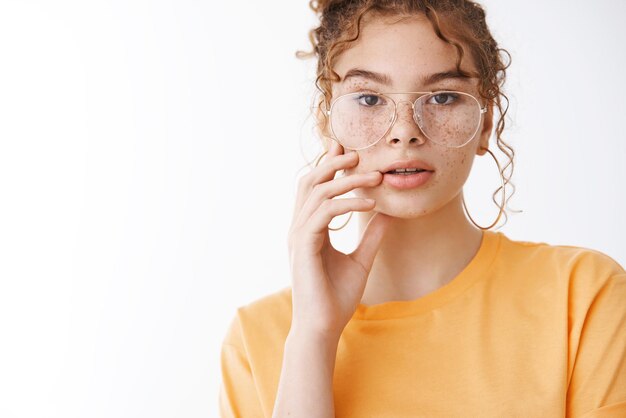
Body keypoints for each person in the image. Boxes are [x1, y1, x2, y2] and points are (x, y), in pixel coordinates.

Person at [219, 0, 626, 416]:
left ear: (485, 122)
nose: (405, 132)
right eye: (369, 99)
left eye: (444, 97)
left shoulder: (583, 296)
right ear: (328, 122)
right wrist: (313, 338)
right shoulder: (259, 338)